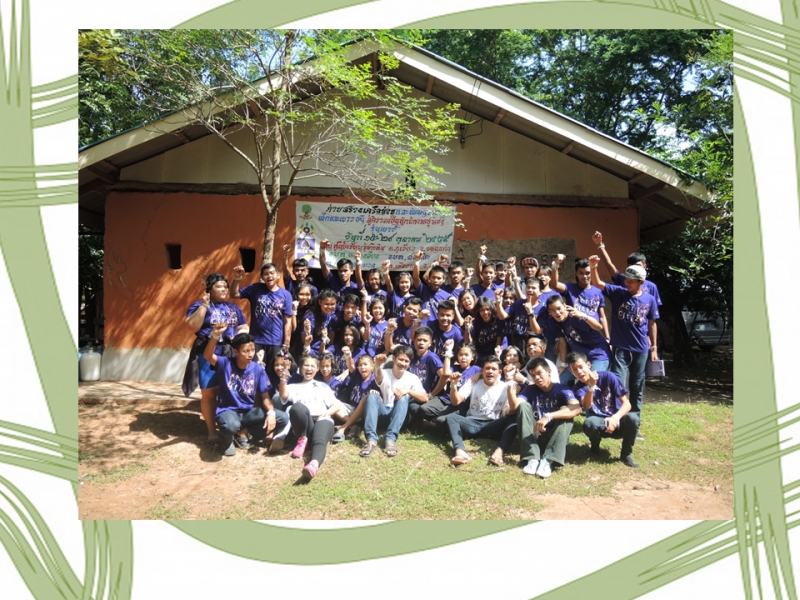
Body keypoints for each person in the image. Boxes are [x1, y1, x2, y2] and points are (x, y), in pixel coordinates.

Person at [589, 257, 659, 429]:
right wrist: (593, 266)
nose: (627, 282)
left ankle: (633, 423)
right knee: (617, 383)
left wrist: (654, 347)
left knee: (637, 386)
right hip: (621, 348)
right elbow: (598, 283)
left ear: (641, 282)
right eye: (626, 279)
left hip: (641, 349)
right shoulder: (618, 292)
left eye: (631, 280)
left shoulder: (649, 299)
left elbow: (652, 323)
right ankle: (615, 418)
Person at [203, 324, 288, 456]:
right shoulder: (225, 363)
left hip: (249, 413)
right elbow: (208, 356)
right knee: (230, 424)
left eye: (252, 350)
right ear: (236, 352)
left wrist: (271, 413)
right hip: (229, 411)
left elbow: (265, 397)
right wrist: (215, 335)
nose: (250, 354)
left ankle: (243, 433)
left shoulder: (257, 369)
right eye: (246, 351)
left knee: (282, 418)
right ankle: (227, 440)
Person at [183, 273, 248, 441]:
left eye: (225, 286)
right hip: (208, 352)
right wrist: (204, 305)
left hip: (230, 353)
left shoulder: (233, 308)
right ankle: (212, 431)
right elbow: (192, 326)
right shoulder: (199, 306)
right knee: (209, 393)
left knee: (232, 390)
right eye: (219, 286)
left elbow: (243, 326)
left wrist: (241, 334)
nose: (223, 289)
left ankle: (233, 427)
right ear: (209, 290)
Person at [507, 357, 582, 478]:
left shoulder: (562, 388)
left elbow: (577, 408)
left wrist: (549, 416)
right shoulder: (530, 389)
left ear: (549, 372)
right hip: (535, 435)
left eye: (539, 373)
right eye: (533, 375)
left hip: (555, 437)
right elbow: (514, 406)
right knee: (524, 406)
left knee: (566, 409)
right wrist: (510, 388)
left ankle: (548, 460)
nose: (536, 378)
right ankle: (532, 458)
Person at [568, 352, 640, 468]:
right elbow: (587, 406)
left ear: (588, 365)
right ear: (571, 371)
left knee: (633, 418)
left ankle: (626, 454)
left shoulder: (608, 376)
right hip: (599, 423)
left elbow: (627, 404)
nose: (579, 372)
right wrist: (591, 386)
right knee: (589, 423)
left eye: (581, 367)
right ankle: (595, 447)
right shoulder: (577, 389)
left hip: (617, 421)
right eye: (574, 369)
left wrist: (615, 418)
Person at [278, 355, 345, 480]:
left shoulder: (323, 386)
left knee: (319, 441)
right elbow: (283, 395)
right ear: (301, 367)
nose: (309, 368)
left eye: (312, 366)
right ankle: (302, 439)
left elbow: (336, 405)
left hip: (322, 419)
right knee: (297, 407)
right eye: (306, 365)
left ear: (317, 369)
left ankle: (313, 464)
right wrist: (284, 376)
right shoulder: (293, 386)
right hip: (305, 423)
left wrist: (327, 413)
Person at [230, 263, 294, 388]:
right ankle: (254, 398)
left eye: (272, 273)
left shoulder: (286, 295)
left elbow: (288, 321)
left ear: (278, 275)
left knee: (274, 372)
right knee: (254, 371)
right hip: (256, 341)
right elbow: (234, 294)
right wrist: (237, 278)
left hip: (276, 341)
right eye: (266, 274)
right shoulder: (255, 289)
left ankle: (272, 397)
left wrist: (286, 343)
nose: (269, 276)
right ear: (262, 277)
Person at [445, 356, 517, 466]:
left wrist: (510, 410)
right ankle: (460, 452)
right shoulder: (473, 382)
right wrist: (453, 385)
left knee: (515, 418)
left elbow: (509, 410)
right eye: (487, 368)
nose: (490, 371)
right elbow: (456, 401)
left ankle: (499, 452)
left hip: (493, 425)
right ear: (482, 371)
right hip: (472, 423)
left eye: (494, 369)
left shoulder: (505, 387)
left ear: (499, 372)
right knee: (451, 417)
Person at [361, 346, 427, 457]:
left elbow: (425, 398)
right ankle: (371, 441)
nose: (403, 363)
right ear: (394, 359)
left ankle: (390, 440)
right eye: (400, 359)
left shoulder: (413, 378)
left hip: (399, 416)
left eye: (406, 361)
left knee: (403, 397)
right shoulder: (385, 373)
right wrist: (377, 365)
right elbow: (378, 376)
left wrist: (408, 391)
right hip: (384, 413)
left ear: (409, 363)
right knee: (371, 396)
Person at [533, 295, 611, 376]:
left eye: (559, 308)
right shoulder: (557, 322)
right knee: (562, 379)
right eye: (553, 310)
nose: (557, 313)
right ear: (549, 312)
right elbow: (562, 341)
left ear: (564, 305)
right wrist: (563, 365)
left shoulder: (575, 316)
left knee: (593, 379)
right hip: (580, 360)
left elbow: (598, 327)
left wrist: (583, 316)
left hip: (598, 355)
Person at [591, 231, 662, 306]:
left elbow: (654, 310)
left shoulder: (651, 287)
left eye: (637, 265)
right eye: (632, 266)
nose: (635, 268)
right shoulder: (622, 280)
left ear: (645, 266)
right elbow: (609, 264)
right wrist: (600, 245)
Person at [551, 254, 610, 341]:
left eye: (587, 273)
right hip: (575, 336)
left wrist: (607, 338)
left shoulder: (598, 291)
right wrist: (556, 264)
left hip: (593, 335)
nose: (584, 276)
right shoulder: (570, 288)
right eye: (581, 273)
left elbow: (602, 317)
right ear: (576, 273)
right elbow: (555, 285)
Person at [332, 354, 382, 443]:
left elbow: (381, 400)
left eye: (365, 364)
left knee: (367, 401)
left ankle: (345, 426)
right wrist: (348, 355)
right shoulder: (356, 376)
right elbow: (350, 366)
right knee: (332, 403)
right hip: (351, 410)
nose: (362, 367)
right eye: (360, 365)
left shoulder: (375, 380)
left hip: (364, 413)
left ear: (372, 366)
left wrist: (376, 394)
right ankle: (354, 424)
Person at [406, 326, 448, 421]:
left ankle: (434, 420)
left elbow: (444, 377)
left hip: (432, 395)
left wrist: (432, 394)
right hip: (416, 394)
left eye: (425, 341)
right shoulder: (411, 354)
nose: (421, 343)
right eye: (419, 340)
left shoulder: (431, 357)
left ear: (430, 343)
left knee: (420, 409)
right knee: (412, 407)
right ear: (414, 341)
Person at [463, 294, 504, 362]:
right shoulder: (475, 322)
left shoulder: (497, 320)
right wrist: (467, 327)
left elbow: (499, 340)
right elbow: (468, 342)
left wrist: (495, 357)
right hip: (479, 356)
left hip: (493, 355)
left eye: (488, 309)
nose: (485, 312)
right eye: (482, 310)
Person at [301, 289, 340, 356]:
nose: (329, 307)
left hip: (324, 350)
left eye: (332, 304)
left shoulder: (331, 312)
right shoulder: (310, 317)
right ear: (320, 302)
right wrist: (307, 330)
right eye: (326, 304)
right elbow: (304, 340)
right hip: (310, 351)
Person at [412, 249, 451, 314]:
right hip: (423, 320)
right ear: (429, 278)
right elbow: (416, 278)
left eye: (439, 278)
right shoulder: (423, 289)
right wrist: (417, 261)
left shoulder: (446, 296)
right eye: (433, 277)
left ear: (443, 280)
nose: (435, 280)